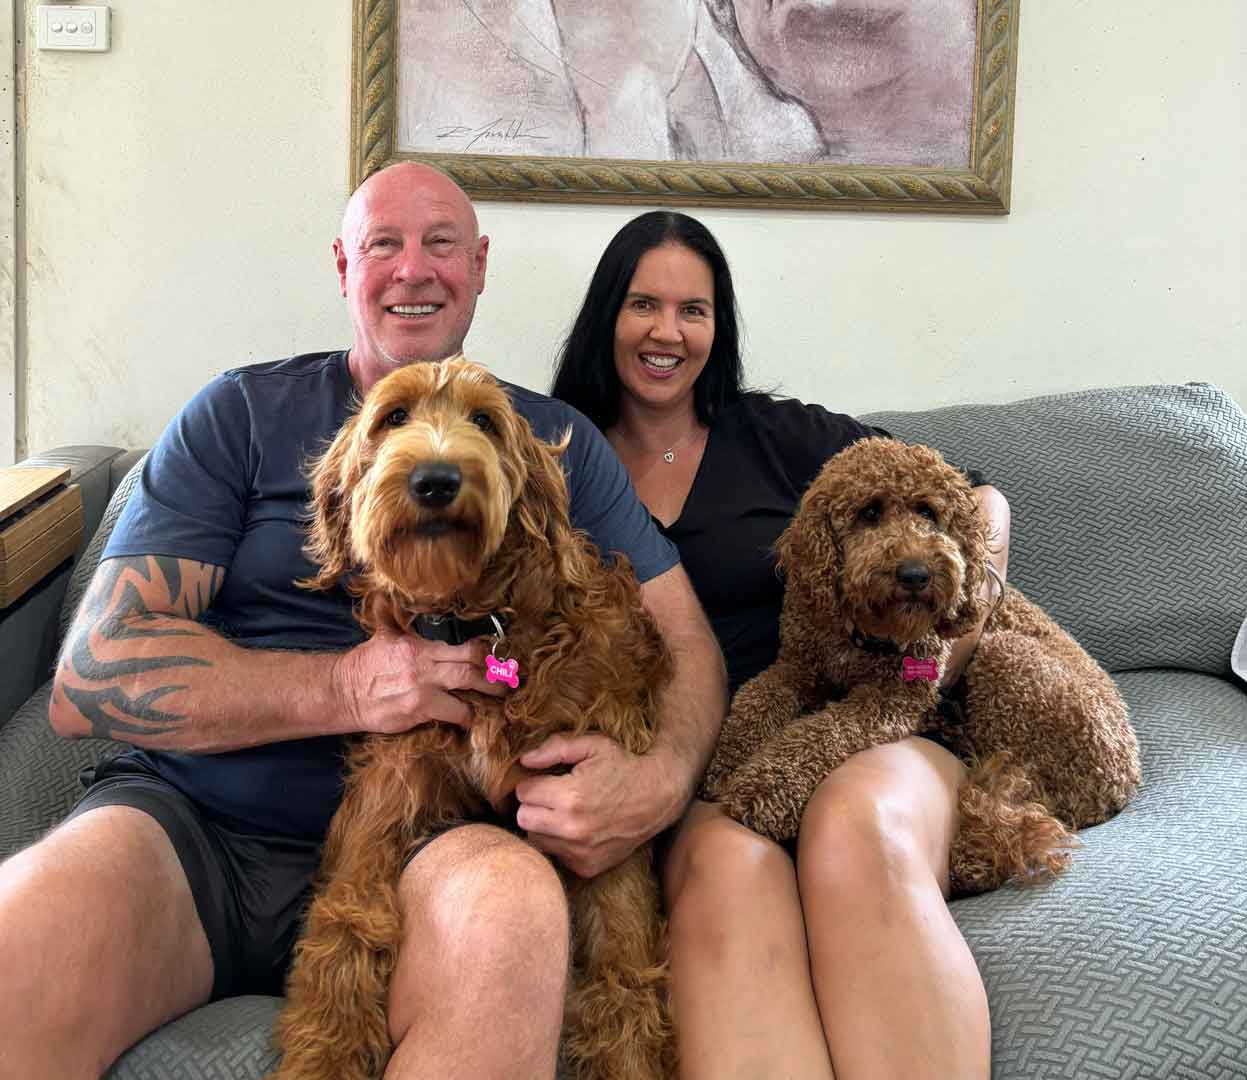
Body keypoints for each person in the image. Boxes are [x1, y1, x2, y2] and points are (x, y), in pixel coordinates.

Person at [0, 164, 726, 1080]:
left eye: (441, 244)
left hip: (443, 845)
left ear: (480, 265)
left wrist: (657, 780)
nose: (413, 269)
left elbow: (687, 643)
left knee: (510, 917)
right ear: (344, 264)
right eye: (384, 243)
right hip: (194, 832)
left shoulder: (553, 444)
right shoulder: (239, 416)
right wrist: (345, 685)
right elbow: (92, 676)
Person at [550, 209, 1012, 1079]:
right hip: (698, 767)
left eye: (694, 310)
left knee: (857, 821)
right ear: (604, 315)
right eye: (642, 304)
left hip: (860, 723)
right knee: (730, 861)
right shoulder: (555, 452)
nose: (666, 332)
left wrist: (949, 641)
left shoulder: (777, 434)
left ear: (717, 329)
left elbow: (980, 500)